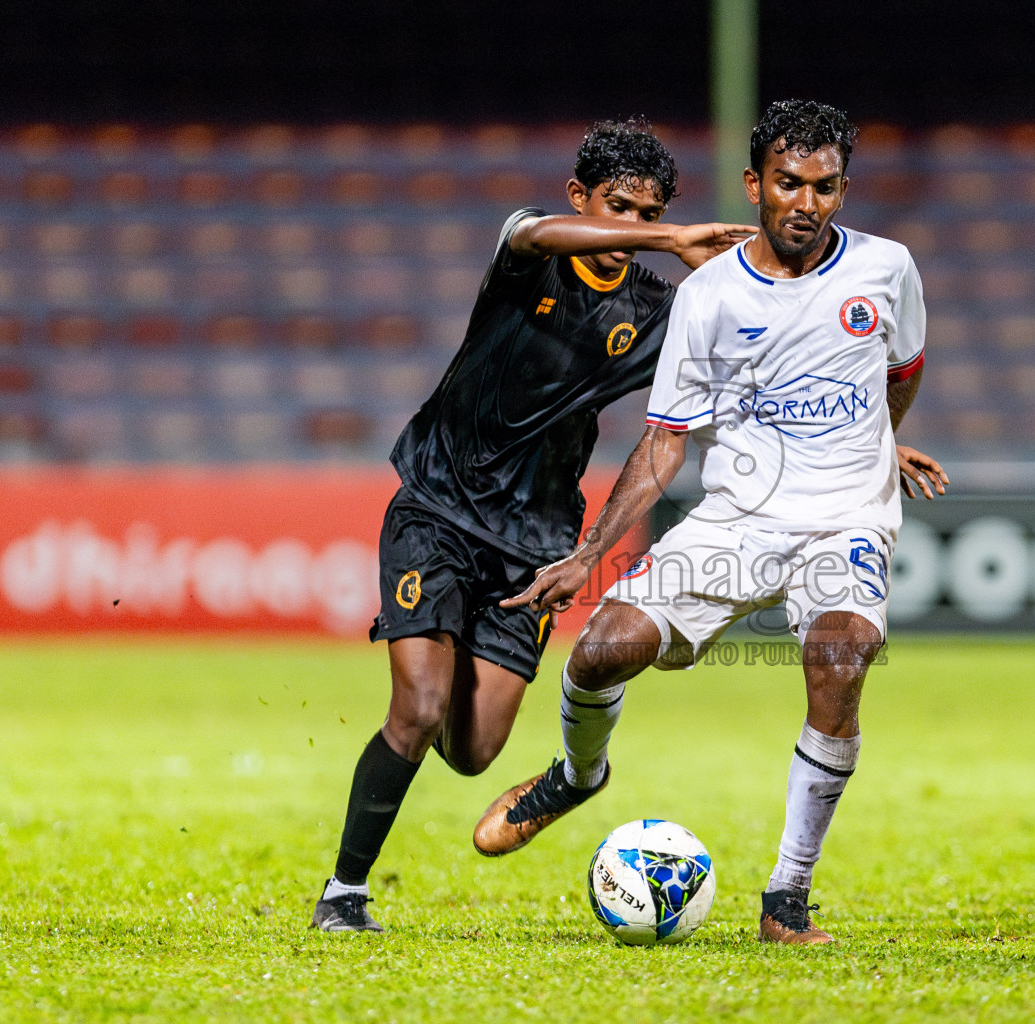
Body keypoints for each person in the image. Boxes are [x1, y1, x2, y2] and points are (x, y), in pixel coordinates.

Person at [473, 100, 948, 945]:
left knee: (839, 654)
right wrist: (592, 553)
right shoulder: (709, 295)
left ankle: (786, 899)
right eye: (789, 184)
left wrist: (879, 443)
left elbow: (900, 370)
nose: (807, 204)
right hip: (735, 519)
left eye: (826, 187)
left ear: (844, 188)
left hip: (845, 522)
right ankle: (579, 776)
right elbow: (665, 442)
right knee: (600, 650)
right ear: (754, 183)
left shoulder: (888, 268)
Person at [312, 119, 755, 933]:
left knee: (474, 749)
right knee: (416, 705)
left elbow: (706, 408)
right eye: (616, 208)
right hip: (438, 509)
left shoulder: (660, 313)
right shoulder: (532, 255)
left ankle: (564, 772)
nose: (628, 229)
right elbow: (534, 230)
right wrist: (666, 236)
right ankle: (345, 894)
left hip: (536, 545)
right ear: (580, 195)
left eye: (649, 211)